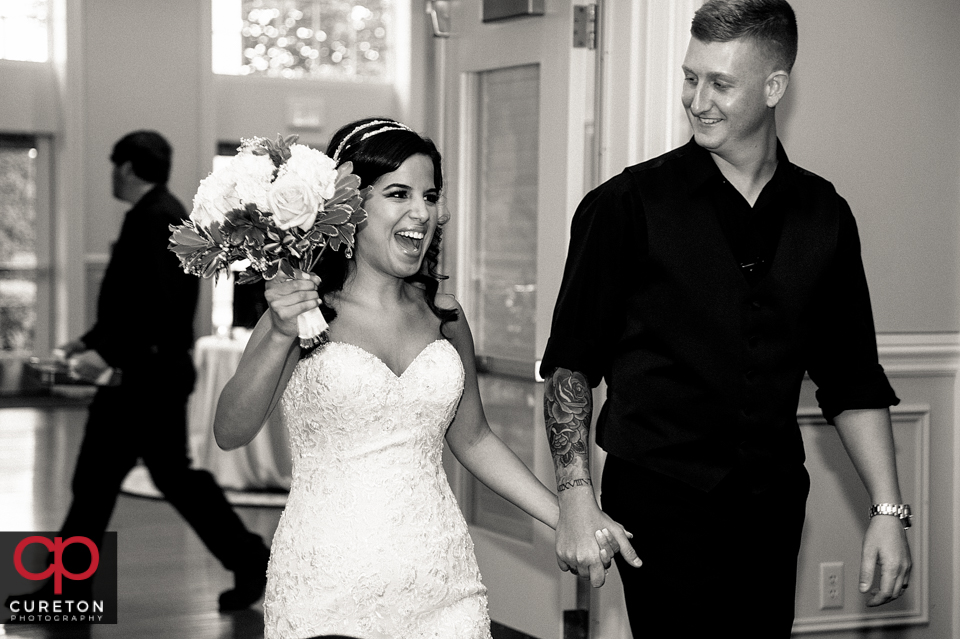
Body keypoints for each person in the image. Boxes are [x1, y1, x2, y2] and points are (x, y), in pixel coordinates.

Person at [539, 1, 912, 636]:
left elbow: (851, 378)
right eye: (691, 77)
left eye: (720, 82)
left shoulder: (824, 215)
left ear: (774, 87)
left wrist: (887, 509)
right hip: (656, 499)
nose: (697, 99)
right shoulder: (625, 207)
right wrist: (575, 496)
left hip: (772, 508)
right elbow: (572, 365)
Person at [214, 118, 621, 639]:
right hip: (326, 585)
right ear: (348, 206)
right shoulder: (307, 315)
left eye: (429, 195)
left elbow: (473, 439)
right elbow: (230, 432)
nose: (422, 212)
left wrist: (568, 514)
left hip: (442, 581)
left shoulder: (444, 316)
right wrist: (276, 331)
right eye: (398, 193)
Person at [6, 131, 271, 613]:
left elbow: (158, 308)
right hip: (149, 375)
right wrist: (87, 343)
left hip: (144, 380)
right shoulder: (158, 214)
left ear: (127, 167)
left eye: (114, 165)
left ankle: (66, 591)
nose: (112, 173)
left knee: (102, 482)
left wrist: (107, 356)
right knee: (155, 479)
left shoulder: (155, 218)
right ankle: (250, 560)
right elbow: (130, 306)